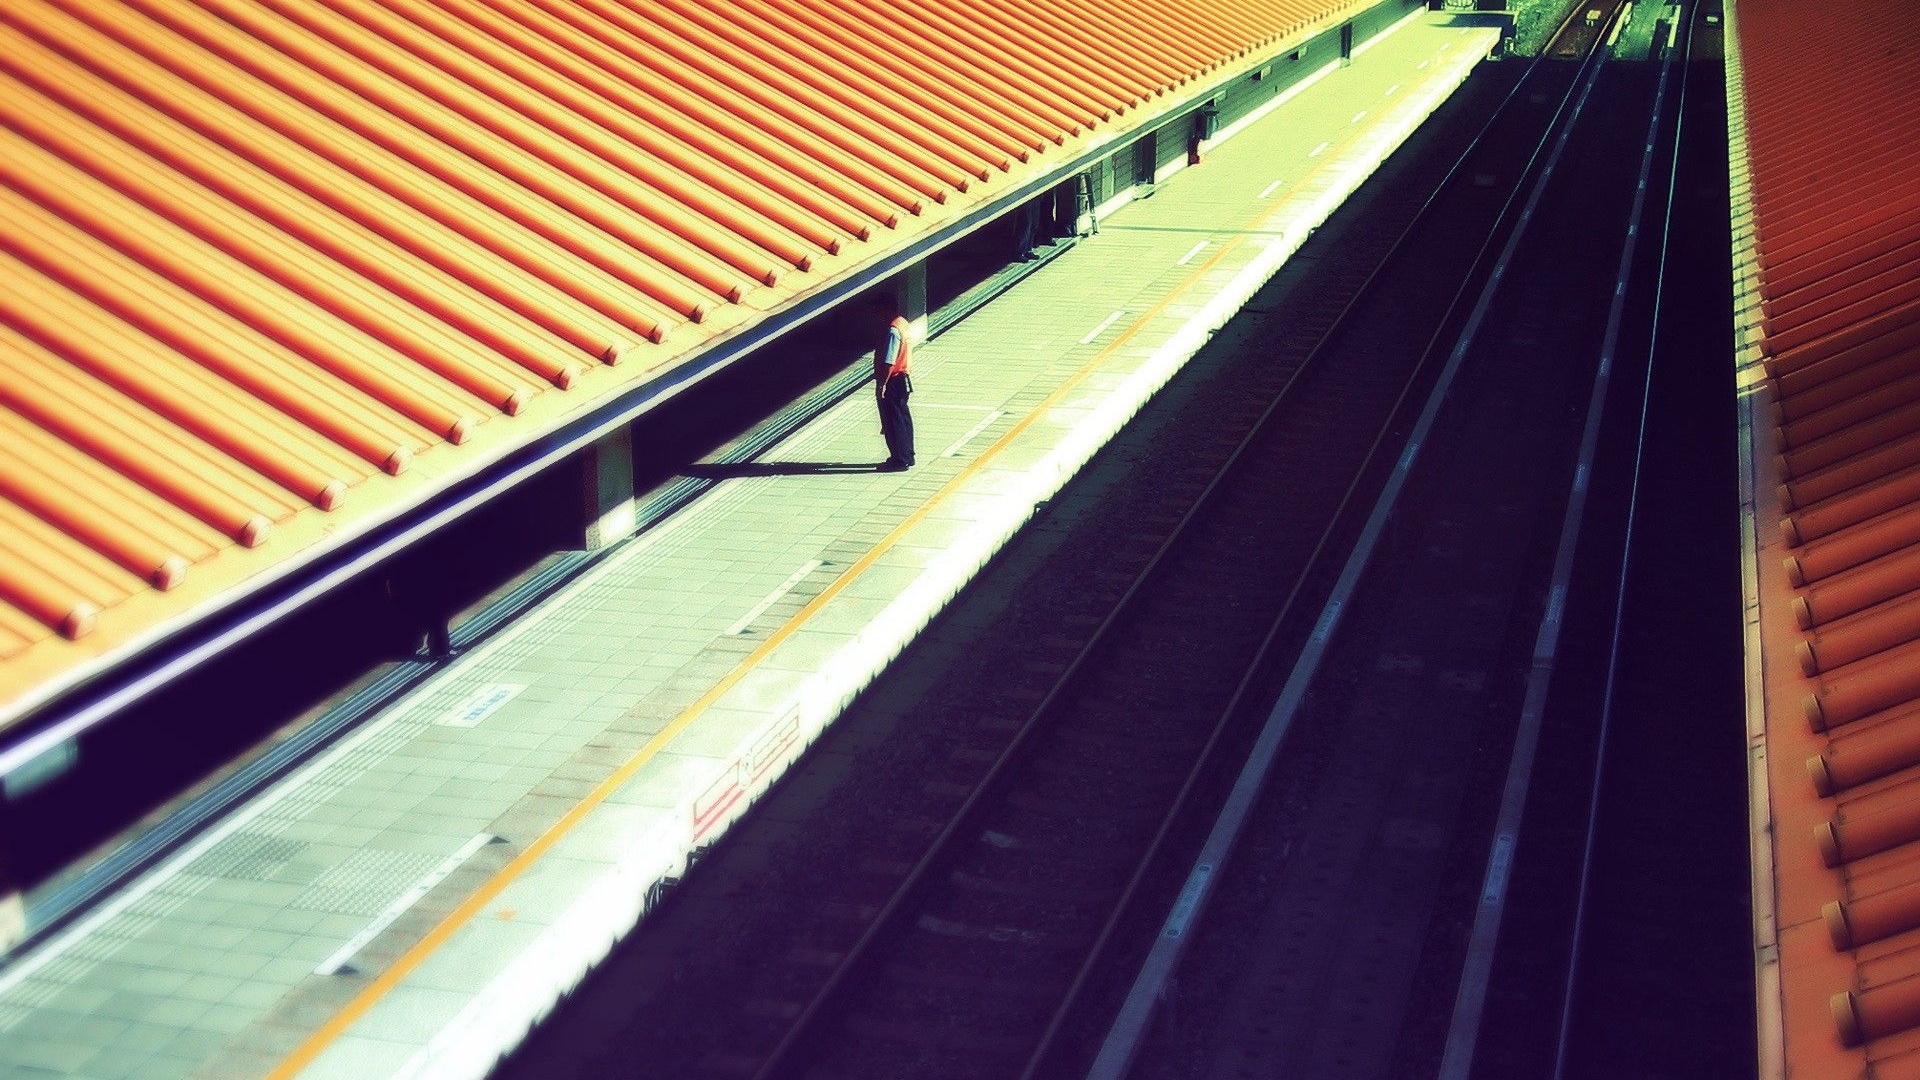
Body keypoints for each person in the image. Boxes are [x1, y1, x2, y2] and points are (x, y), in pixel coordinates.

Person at [872, 296, 915, 471]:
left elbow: (889, 361)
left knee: (893, 420)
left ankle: (899, 459)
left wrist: (882, 383)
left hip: (893, 380)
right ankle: (908, 455)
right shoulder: (903, 323)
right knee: (904, 419)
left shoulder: (892, 331)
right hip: (904, 378)